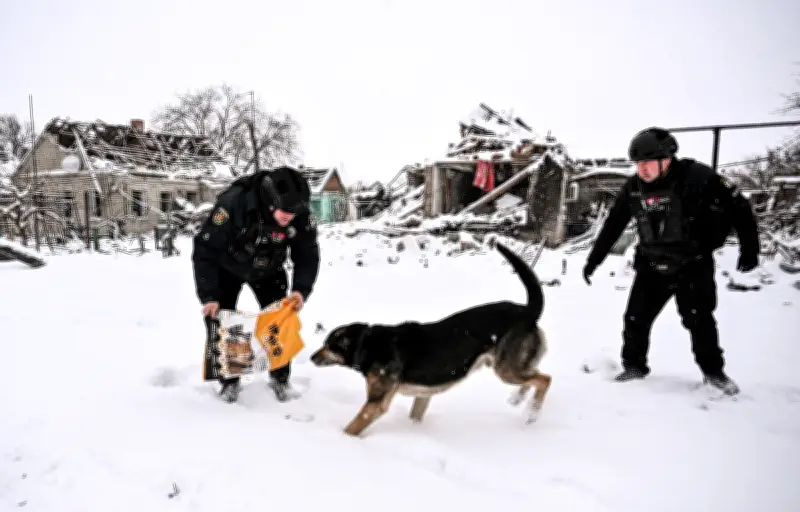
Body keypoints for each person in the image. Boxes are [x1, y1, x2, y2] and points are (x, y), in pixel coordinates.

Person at [582, 127, 760, 395]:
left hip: (693, 263)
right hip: (652, 263)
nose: (642, 169)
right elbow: (614, 223)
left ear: (667, 159)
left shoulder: (698, 177)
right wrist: (594, 260)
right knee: (635, 319)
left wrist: (750, 249)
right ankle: (634, 367)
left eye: (647, 162)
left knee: (699, 320)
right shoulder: (634, 188)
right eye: (638, 163)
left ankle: (714, 374)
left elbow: (739, 207)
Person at [192, 166, 321, 403]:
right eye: (285, 211)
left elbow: (307, 254)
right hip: (227, 267)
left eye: (294, 212)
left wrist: (300, 290)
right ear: (271, 201)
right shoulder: (233, 204)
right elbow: (205, 249)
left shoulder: (298, 211)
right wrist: (209, 295)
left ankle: (280, 378)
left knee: (281, 318)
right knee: (226, 321)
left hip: (269, 268)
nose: (290, 217)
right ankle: (230, 381)